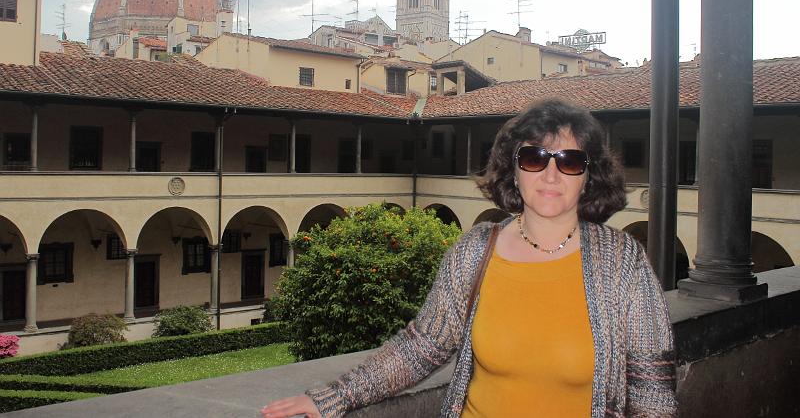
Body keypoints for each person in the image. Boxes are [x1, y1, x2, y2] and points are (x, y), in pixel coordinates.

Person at [262, 98, 677, 418]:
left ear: (589, 177)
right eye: (535, 158)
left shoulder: (623, 263)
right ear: (514, 170)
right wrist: (332, 398)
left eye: (569, 162)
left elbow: (652, 393)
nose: (551, 176)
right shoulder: (475, 251)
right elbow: (421, 346)